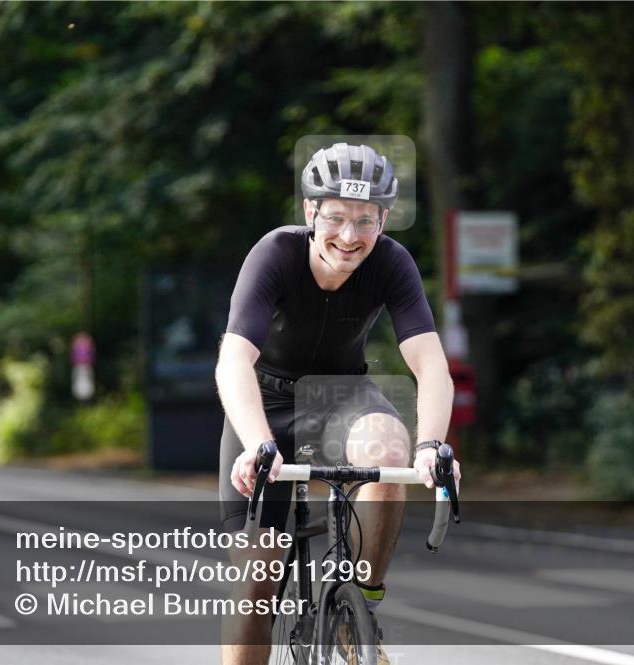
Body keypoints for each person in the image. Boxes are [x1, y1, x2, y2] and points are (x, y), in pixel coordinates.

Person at [217, 143, 461, 665]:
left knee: (390, 451)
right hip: (265, 403)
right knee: (255, 587)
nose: (349, 236)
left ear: (383, 221)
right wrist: (257, 443)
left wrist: (430, 446)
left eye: (365, 221)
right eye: (335, 218)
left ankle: (359, 611)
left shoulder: (392, 262)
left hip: (342, 396)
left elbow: (431, 365)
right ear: (310, 211)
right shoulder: (275, 254)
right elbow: (233, 360)